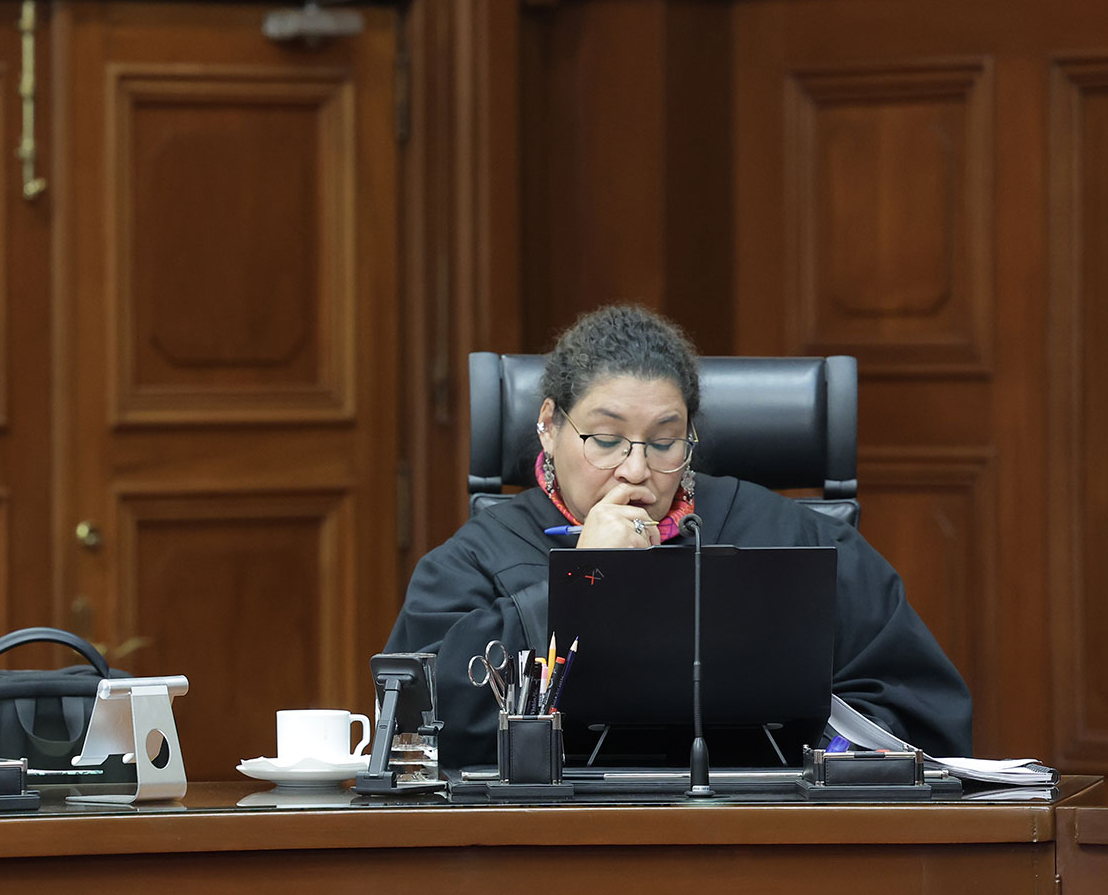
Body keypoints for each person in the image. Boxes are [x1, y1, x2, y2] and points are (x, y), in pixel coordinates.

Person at [386, 305, 972, 767]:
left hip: (762, 836)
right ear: (548, 425)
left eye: (664, 442)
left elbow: (914, 709)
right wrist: (578, 585)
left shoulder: (790, 536)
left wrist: (824, 756)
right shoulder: (479, 558)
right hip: (555, 846)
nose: (636, 469)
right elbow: (416, 730)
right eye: (606, 440)